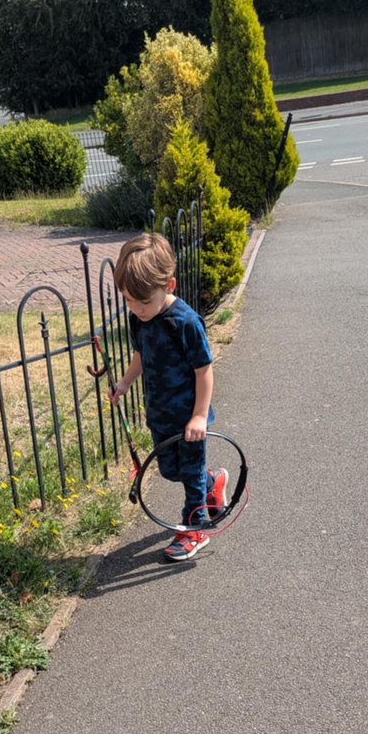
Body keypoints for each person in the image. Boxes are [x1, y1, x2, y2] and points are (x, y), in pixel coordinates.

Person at [110, 232, 228, 562]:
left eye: (143, 302)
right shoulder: (139, 319)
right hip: (160, 414)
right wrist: (124, 384)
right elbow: (141, 355)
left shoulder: (185, 322)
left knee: (189, 473)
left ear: (170, 286)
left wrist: (199, 416)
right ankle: (213, 484)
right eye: (129, 301)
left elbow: (204, 370)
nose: (136, 308)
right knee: (170, 471)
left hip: (189, 417)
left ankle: (195, 528)